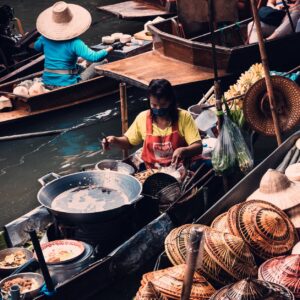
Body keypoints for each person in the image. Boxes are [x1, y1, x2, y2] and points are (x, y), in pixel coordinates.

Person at [102, 79, 203, 170]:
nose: (158, 108)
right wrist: (115, 140)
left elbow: (198, 146)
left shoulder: (184, 116)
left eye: (163, 105)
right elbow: (128, 143)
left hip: (179, 168)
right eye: (154, 105)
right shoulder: (143, 118)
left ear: (171, 101)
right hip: (152, 171)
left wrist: (184, 150)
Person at [33, 1, 114, 89]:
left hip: (47, 81)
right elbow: (94, 57)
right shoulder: (75, 43)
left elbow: (36, 47)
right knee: (102, 61)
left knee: (77, 64)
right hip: (67, 84)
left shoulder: (44, 39)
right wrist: (110, 48)